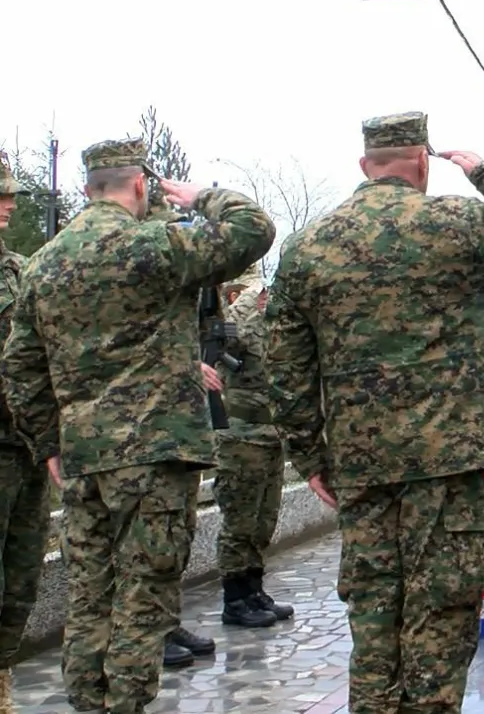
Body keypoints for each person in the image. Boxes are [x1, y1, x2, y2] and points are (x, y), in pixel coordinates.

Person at [265, 112, 484, 714]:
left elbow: (285, 365)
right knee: (441, 609)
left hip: (360, 463)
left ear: (365, 166)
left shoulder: (309, 247)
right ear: (421, 164)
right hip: (446, 462)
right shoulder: (457, 223)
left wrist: (310, 455)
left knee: (374, 611)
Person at [0, 138, 274, 714]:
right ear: (142, 186)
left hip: (83, 458)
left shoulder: (44, 262)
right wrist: (203, 197)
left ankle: (88, 703)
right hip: (155, 457)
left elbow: (19, 366)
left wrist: (48, 442)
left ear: (86, 190)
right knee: (143, 598)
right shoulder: (157, 246)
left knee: (90, 596)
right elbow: (254, 229)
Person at [144, 182, 221, 666]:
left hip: (180, 424)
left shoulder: (181, 274)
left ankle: (166, 621)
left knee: (176, 532)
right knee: (150, 540)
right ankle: (149, 632)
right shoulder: (137, 265)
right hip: (148, 428)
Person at [214, 265, 293, 628]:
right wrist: (243, 300)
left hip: (270, 433)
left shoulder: (277, 317)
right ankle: (235, 599)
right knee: (240, 521)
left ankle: (254, 589)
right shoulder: (239, 317)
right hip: (241, 436)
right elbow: (227, 340)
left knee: (263, 520)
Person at [0, 154, 47, 714]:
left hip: (25, 446)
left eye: (10, 194)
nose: (10, 205)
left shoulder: (20, 269)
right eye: (1, 195)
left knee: (20, 581)